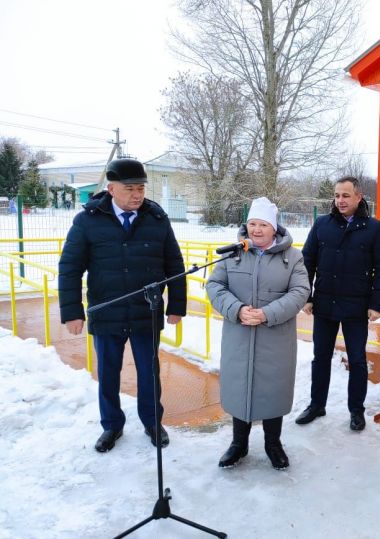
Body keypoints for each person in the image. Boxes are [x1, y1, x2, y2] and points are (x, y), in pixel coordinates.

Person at [58, 158, 187, 453]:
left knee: (149, 371)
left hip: (146, 311)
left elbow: (174, 263)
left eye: (141, 188)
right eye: (130, 188)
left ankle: (153, 422)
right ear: (111, 188)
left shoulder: (156, 218)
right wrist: (72, 311)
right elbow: (70, 267)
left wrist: (176, 304)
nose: (137, 194)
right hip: (107, 311)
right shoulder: (88, 220)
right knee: (108, 372)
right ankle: (112, 425)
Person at [206, 197, 309, 470]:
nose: (256, 230)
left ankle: (273, 444)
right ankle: (238, 444)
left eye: (263, 224)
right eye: (252, 223)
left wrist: (267, 314)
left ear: (274, 228)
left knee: (272, 390)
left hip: (274, 338)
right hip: (239, 336)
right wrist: (237, 309)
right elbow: (215, 285)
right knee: (240, 389)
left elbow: (300, 292)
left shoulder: (293, 257)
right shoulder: (233, 253)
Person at [295, 176, 380, 431]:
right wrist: (307, 296)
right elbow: (307, 262)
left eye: (346, 195)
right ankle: (317, 404)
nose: (340, 200)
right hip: (325, 304)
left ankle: (356, 410)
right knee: (321, 357)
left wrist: (376, 304)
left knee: (357, 360)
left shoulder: (374, 228)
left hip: (356, 307)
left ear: (359, 197)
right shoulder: (321, 225)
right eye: (337, 195)